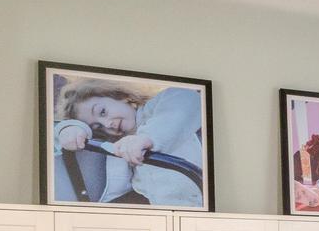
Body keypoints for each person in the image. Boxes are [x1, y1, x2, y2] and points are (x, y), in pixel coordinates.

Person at [55, 80, 206, 208]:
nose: (107, 124)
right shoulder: (123, 152)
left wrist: (146, 138)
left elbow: (186, 100)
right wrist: (69, 128)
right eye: (97, 127)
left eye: (102, 112)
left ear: (120, 96)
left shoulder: (156, 109)